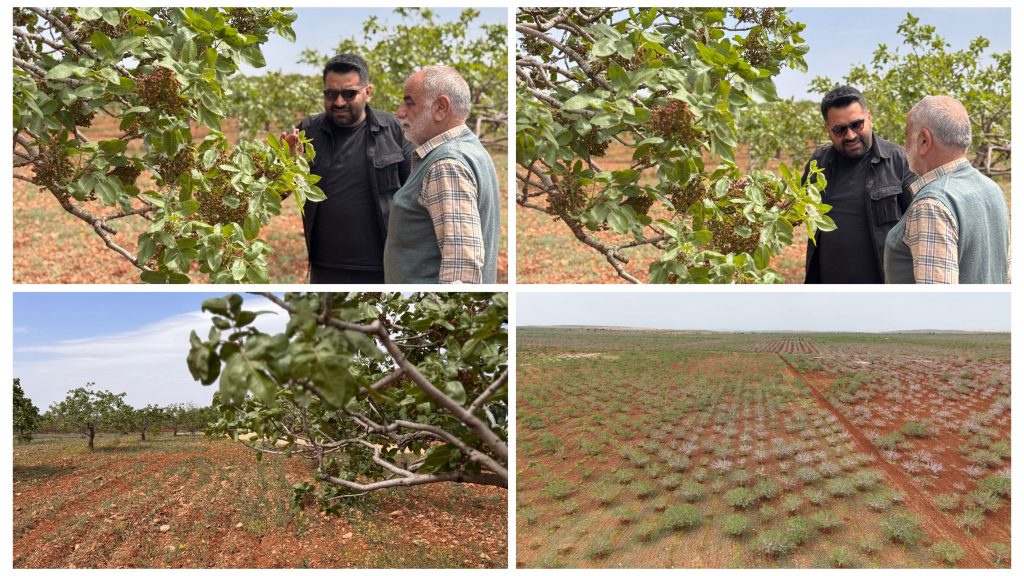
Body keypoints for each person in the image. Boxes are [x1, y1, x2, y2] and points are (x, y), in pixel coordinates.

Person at [283, 54, 415, 284]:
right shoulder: (307, 131)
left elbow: (415, 190)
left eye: (349, 93)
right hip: (326, 266)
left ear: (368, 92)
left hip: (383, 264)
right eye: (331, 94)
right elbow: (277, 193)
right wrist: (285, 167)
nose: (339, 102)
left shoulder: (392, 129)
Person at [383, 65, 500, 284]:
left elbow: (462, 272)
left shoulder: (446, 165)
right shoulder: (467, 148)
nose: (400, 112)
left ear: (441, 108)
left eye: (409, 102)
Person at [884, 96, 1009, 283]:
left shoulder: (931, 205)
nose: (904, 145)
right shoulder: (992, 189)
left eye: (907, 136)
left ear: (924, 140)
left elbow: (937, 304)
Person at [802, 86, 916, 283]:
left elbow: (920, 223)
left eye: (857, 124)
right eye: (840, 129)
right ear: (827, 129)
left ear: (869, 117)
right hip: (828, 289)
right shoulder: (818, 163)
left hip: (883, 287)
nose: (850, 135)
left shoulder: (899, 161)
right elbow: (797, 207)